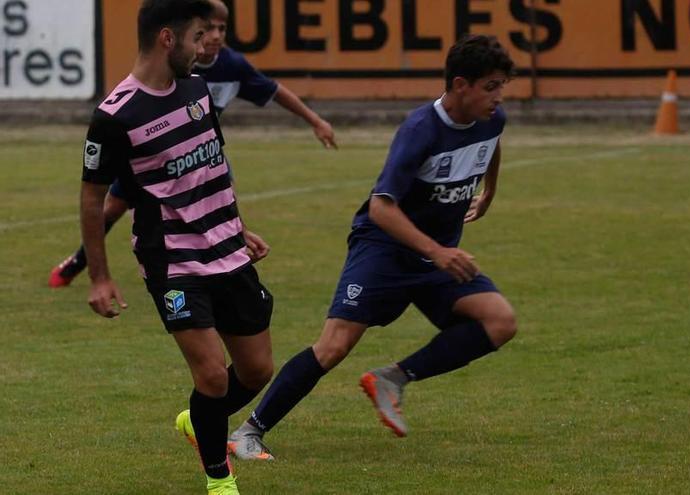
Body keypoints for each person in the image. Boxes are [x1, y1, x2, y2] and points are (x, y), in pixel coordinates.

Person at [226, 34, 517, 461]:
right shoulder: (421, 129)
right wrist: (437, 253)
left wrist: (489, 191)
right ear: (460, 85)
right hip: (384, 250)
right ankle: (248, 431)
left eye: (501, 86)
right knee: (334, 346)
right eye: (491, 86)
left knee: (500, 321)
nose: (499, 96)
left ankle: (393, 379)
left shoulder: (493, 118)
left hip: (434, 254)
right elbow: (382, 208)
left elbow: (490, 146)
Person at [80, 1, 274, 493]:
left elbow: (214, 164)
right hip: (173, 260)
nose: (206, 45)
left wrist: (239, 224)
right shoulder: (115, 116)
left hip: (226, 245)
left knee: (256, 371)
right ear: (168, 38)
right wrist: (99, 276)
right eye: (198, 36)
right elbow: (91, 198)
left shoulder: (197, 89)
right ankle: (219, 479)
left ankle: (198, 420)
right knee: (212, 377)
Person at [49, 0, 336, 288]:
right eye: (206, 29)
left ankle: (217, 264)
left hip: (202, 150)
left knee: (222, 196)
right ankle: (79, 262)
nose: (214, 36)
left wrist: (316, 121)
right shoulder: (173, 60)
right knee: (112, 209)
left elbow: (274, 91)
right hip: (155, 154)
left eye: (221, 28)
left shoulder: (231, 65)